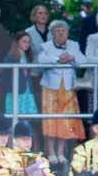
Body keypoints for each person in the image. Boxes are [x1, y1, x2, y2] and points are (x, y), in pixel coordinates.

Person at [36, 19, 85, 157]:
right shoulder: (45, 46)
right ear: (52, 33)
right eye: (57, 31)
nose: (61, 33)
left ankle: (61, 152)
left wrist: (72, 57)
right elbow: (41, 61)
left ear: (67, 33)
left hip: (68, 87)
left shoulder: (74, 45)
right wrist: (58, 59)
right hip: (50, 87)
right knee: (51, 119)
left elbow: (84, 61)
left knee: (65, 120)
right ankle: (51, 152)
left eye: (63, 30)